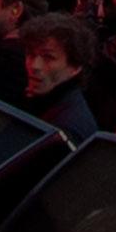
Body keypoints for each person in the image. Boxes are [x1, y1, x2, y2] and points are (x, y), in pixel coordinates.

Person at [16, 13, 102, 142]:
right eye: (31, 54)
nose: (34, 66)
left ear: (75, 67)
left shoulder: (67, 131)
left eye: (48, 57)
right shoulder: (41, 101)